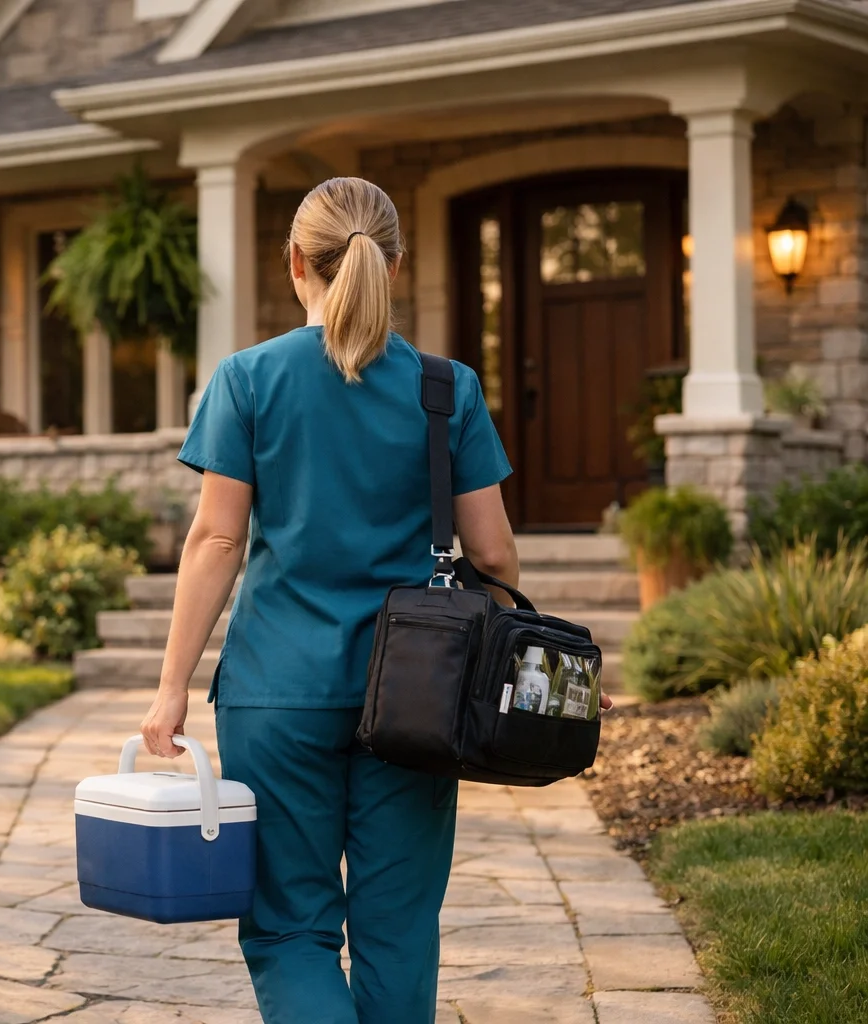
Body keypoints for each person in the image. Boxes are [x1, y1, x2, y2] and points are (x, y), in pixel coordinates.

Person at [140, 176, 609, 1023]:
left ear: (295, 264)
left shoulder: (247, 379)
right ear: (395, 262)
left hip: (276, 694)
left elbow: (217, 540)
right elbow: (494, 551)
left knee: (289, 931)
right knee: (396, 931)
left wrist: (171, 684)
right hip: (418, 699)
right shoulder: (447, 389)